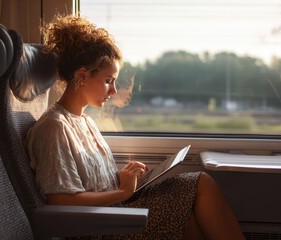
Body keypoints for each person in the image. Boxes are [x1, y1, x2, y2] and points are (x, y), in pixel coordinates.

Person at [25, 14, 244, 240]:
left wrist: (122, 178)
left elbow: (93, 184)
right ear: (82, 75)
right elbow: (61, 201)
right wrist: (122, 191)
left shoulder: (86, 122)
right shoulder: (54, 127)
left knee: (198, 187)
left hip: (114, 210)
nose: (113, 90)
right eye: (109, 80)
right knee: (192, 202)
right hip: (96, 227)